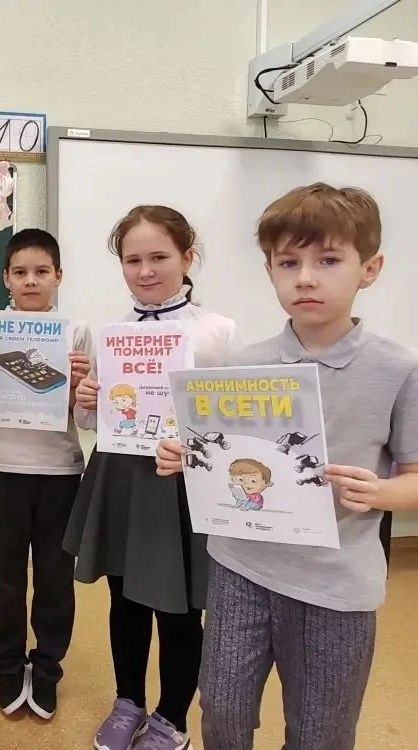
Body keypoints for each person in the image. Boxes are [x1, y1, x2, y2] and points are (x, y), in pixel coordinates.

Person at [156, 183, 418, 750]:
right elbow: (224, 458)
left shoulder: (399, 369)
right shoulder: (242, 365)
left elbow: (414, 479)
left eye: (329, 261)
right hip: (240, 567)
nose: (305, 278)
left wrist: (382, 493)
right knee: (221, 711)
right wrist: (187, 456)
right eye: (288, 263)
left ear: (369, 269)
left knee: (320, 731)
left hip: (335, 584)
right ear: (270, 270)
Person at [63, 206, 240, 750]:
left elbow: (236, 422)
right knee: (125, 601)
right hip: (121, 477)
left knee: (180, 607)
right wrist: (85, 398)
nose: (144, 271)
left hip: (182, 485)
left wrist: (197, 447)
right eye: (132, 260)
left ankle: (171, 718)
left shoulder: (218, 332)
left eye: (159, 257)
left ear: (187, 258)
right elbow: (94, 422)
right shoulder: (113, 334)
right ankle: (128, 702)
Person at [0, 228, 91, 719]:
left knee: (56, 577)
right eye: (20, 272)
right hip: (5, 468)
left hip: (61, 469)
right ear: (6, 279)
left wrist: (78, 385)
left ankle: (48, 667)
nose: (31, 281)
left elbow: (86, 415)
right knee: (7, 574)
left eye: (41, 272)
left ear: (59, 276)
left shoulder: (77, 330)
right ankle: (9, 665)